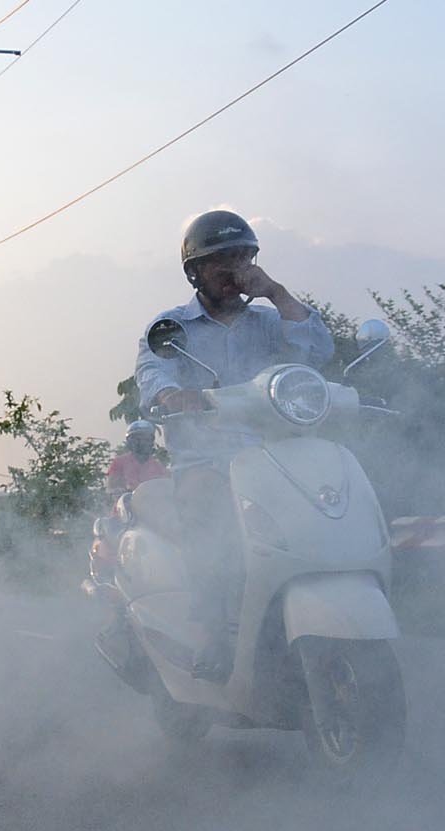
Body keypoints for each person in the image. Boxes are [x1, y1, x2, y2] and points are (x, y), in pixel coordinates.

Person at [133, 209, 334, 678]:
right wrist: (170, 395)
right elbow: (152, 373)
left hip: (277, 460)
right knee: (207, 509)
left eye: (243, 257)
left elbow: (320, 351)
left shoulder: (269, 320)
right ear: (195, 271)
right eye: (221, 260)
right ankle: (211, 632)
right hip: (206, 460)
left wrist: (277, 292)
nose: (234, 269)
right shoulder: (172, 328)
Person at [106, 419, 169, 499]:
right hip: (126, 505)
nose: (142, 443)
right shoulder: (119, 462)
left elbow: (166, 489)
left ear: (151, 442)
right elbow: (111, 488)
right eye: (138, 439)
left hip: (150, 505)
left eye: (146, 440)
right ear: (130, 442)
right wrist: (119, 491)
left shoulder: (158, 467)